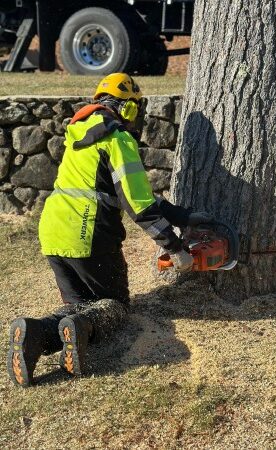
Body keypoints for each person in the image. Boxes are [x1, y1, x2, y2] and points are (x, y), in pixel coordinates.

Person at [7, 73, 212, 387]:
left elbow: (123, 190)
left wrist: (183, 215)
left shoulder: (78, 133)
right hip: (88, 232)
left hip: (52, 232)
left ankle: (35, 333)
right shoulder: (117, 138)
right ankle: (83, 326)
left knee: (76, 306)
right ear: (128, 109)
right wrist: (175, 248)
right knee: (115, 307)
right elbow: (138, 204)